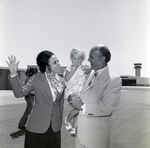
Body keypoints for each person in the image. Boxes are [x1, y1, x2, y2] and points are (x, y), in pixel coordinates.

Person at [6, 51, 65, 148]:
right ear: (47, 66)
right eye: (55, 62)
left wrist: (59, 122)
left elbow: (60, 104)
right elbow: (19, 93)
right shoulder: (36, 79)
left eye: (58, 61)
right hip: (36, 127)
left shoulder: (62, 81)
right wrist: (13, 74)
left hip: (55, 127)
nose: (59, 64)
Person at [73, 45, 122, 148]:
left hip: (96, 138)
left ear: (103, 58)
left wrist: (82, 106)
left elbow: (107, 107)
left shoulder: (114, 79)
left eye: (91, 57)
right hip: (80, 134)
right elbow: (86, 96)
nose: (88, 59)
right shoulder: (90, 73)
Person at [63, 48, 90, 136]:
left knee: (79, 111)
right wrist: (73, 70)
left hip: (81, 93)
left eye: (79, 59)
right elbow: (66, 79)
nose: (76, 61)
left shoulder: (83, 67)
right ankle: (67, 119)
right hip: (72, 94)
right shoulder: (69, 68)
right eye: (74, 58)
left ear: (82, 60)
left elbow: (90, 72)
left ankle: (74, 128)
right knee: (80, 108)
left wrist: (88, 70)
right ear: (71, 59)